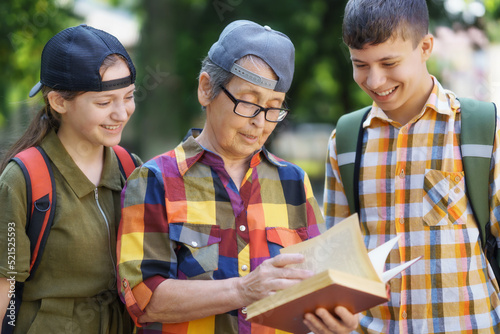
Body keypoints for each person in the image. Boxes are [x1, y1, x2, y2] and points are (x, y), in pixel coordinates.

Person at [117, 20, 358, 334]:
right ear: (207, 89)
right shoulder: (154, 181)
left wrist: (336, 316)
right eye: (249, 103)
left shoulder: (294, 183)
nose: (260, 123)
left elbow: (316, 286)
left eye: (273, 108)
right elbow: (144, 299)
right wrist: (244, 290)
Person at [324, 0, 500, 332]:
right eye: (360, 64)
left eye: (389, 62)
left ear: (425, 47)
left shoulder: (482, 130)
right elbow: (338, 261)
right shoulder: (344, 142)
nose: (375, 81)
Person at [0, 24, 140, 333]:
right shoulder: (23, 180)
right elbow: (3, 289)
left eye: (128, 97)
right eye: (104, 103)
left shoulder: (132, 169)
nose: (121, 113)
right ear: (59, 102)